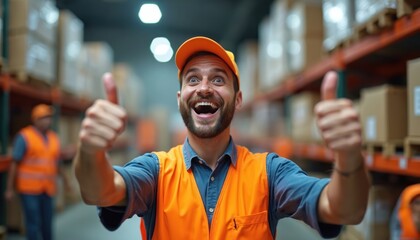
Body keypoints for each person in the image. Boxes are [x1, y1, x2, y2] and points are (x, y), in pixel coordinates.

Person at [73, 36, 371, 239]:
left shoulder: (269, 173)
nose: (204, 88)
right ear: (180, 99)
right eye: (193, 79)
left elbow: (346, 209)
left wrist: (349, 158)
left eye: (218, 79)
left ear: (238, 99)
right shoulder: (156, 171)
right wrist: (90, 151)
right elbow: (99, 192)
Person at [5, 104, 72, 240]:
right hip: (29, 189)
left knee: (47, 224)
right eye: (43, 118)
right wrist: (9, 189)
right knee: (32, 223)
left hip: (47, 188)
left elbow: (57, 163)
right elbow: (14, 163)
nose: (47, 120)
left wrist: (66, 182)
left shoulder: (54, 138)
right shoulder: (24, 137)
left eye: (49, 117)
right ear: (35, 119)